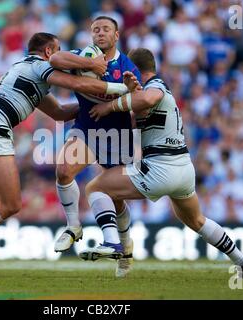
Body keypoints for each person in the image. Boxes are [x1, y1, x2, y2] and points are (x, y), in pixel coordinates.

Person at [0, 32, 136, 277]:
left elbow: (61, 112)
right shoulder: (40, 65)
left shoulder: (27, 72)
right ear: (50, 52)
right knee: (9, 203)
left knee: (3, 199)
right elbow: (78, 84)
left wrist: (96, 109)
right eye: (59, 49)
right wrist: (121, 91)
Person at [83, 48, 243, 279]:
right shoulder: (149, 90)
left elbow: (148, 98)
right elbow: (136, 113)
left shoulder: (156, 86)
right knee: (196, 220)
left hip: (160, 168)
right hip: (183, 169)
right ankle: (241, 259)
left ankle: (116, 246)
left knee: (95, 188)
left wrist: (109, 106)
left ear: (135, 70)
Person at [48, 16, 141, 278]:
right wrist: (90, 64)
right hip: (86, 129)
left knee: (116, 199)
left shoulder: (126, 65)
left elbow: (139, 99)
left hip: (117, 136)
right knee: (64, 171)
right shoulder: (83, 56)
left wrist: (130, 93)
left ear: (117, 35)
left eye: (105, 29)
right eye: (95, 30)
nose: (100, 33)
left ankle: (125, 246)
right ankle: (73, 226)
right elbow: (55, 60)